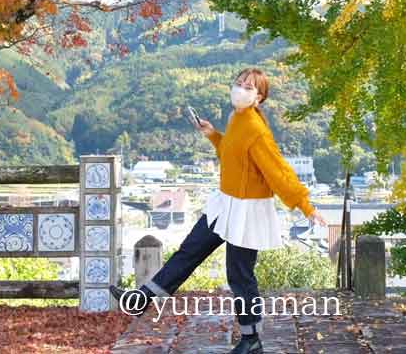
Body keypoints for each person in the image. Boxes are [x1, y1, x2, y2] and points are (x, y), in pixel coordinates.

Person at [110, 67, 328, 354]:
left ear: (259, 97)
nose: (240, 89)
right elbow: (230, 152)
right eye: (238, 84)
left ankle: (251, 339)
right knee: (189, 251)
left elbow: (279, 172)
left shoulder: (257, 130)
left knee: (239, 275)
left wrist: (306, 206)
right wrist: (213, 135)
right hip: (224, 202)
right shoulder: (236, 118)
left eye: (248, 87)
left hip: (247, 211)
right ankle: (142, 299)